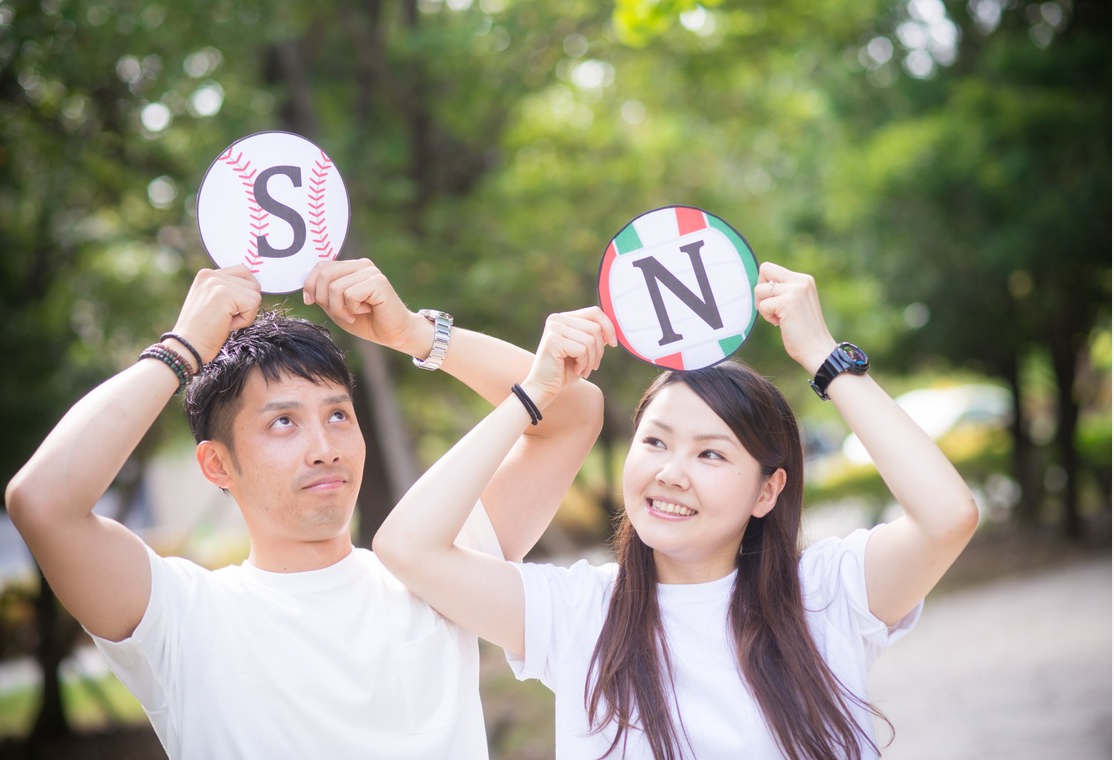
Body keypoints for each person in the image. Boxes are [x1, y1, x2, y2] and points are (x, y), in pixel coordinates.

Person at [374, 261, 980, 759]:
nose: (671, 473)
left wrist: (825, 356)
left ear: (768, 491)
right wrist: (534, 392)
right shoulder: (579, 614)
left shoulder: (827, 593)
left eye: (711, 455)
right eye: (656, 441)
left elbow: (947, 516)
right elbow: (408, 547)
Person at [5, 259, 605, 759]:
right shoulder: (182, 616)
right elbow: (43, 502)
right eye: (283, 422)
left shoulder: (432, 572)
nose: (324, 449)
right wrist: (181, 348)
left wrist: (412, 335)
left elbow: (572, 413)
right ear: (217, 465)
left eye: (338, 414)